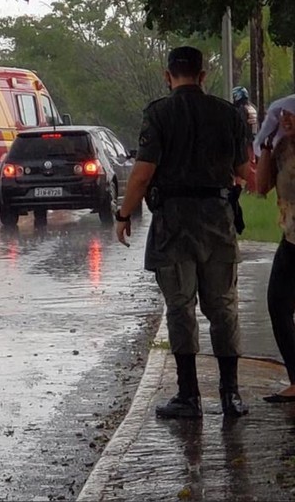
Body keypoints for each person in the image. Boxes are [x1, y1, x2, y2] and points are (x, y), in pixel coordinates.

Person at [115, 46, 250, 419]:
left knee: (180, 307)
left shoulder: (158, 114)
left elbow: (142, 173)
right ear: (203, 75)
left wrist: (123, 213)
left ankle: (188, 396)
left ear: (168, 75)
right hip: (218, 223)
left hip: (173, 225)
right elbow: (244, 170)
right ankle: (230, 395)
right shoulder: (227, 114)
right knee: (223, 308)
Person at [254, 96, 295, 402]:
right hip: (291, 238)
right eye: (282, 116)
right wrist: (267, 146)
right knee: (278, 305)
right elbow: (260, 187)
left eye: (291, 115)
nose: (285, 119)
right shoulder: (282, 148)